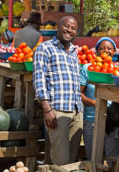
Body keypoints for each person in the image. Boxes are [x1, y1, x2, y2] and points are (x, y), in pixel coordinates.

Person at [33, 16, 83, 166]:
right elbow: (39, 78)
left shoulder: (74, 52)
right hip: (58, 110)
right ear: (58, 27)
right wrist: (47, 109)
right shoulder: (45, 48)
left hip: (76, 110)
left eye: (73, 28)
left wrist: (79, 111)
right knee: (61, 160)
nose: (69, 30)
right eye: (66, 26)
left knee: (71, 158)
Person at [80, 37, 119, 163]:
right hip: (91, 120)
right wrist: (94, 103)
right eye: (102, 48)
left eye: (109, 48)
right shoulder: (88, 68)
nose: (106, 50)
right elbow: (78, 94)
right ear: (96, 51)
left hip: (113, 121)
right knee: (93, 159)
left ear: (114, 52)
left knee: (113, 159)